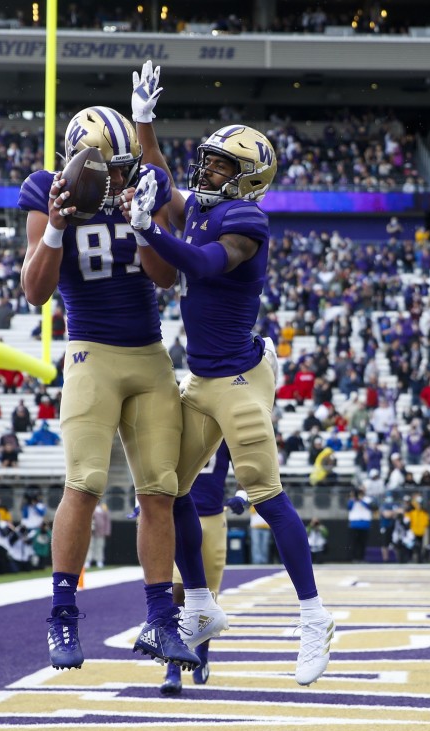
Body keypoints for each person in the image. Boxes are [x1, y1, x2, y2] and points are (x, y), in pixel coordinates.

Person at [127, 60, 333, 686]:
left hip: (240, 380)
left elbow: (205, 264)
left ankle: (314, 617)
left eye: (221, 164)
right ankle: (199, 606)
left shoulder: (249, 221)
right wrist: (143, 124)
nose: (208, 168)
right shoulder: (204, 204)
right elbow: (161, 183)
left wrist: (148, 234)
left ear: (248, 180)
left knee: (267, 497)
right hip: (199, 377)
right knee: (171, 491)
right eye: (210, 159)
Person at [19, 101, 221, 672]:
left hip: (150, 353)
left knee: (159, 490)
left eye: (121, 167)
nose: (115, 181)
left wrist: (146, 226)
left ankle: (159, 621)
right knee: (83, 483)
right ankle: (62, 615)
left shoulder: (145, 182)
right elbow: (35, 291)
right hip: (91, 354)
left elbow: (165, 277)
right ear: (78, 164)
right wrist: (58, 225)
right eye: (104, 171)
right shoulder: (46, 190)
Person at [160, 441, 251, 695]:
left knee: (208, 596)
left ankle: (202, 652)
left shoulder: (223, 422)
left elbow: (245, 464)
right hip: (178, 514)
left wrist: (242, 495)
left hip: (214, 518)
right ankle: (173, 668)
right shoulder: (177, 420)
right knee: (177, 590)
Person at [89, 500, 111, 569]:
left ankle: (99, 561)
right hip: (90, 531)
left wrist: (107, 531)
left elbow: (107, 520)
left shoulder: (103, 508)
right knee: (89, 546)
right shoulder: (89, 507)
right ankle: (88, 561)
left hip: (101, 531)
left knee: (100, 546)